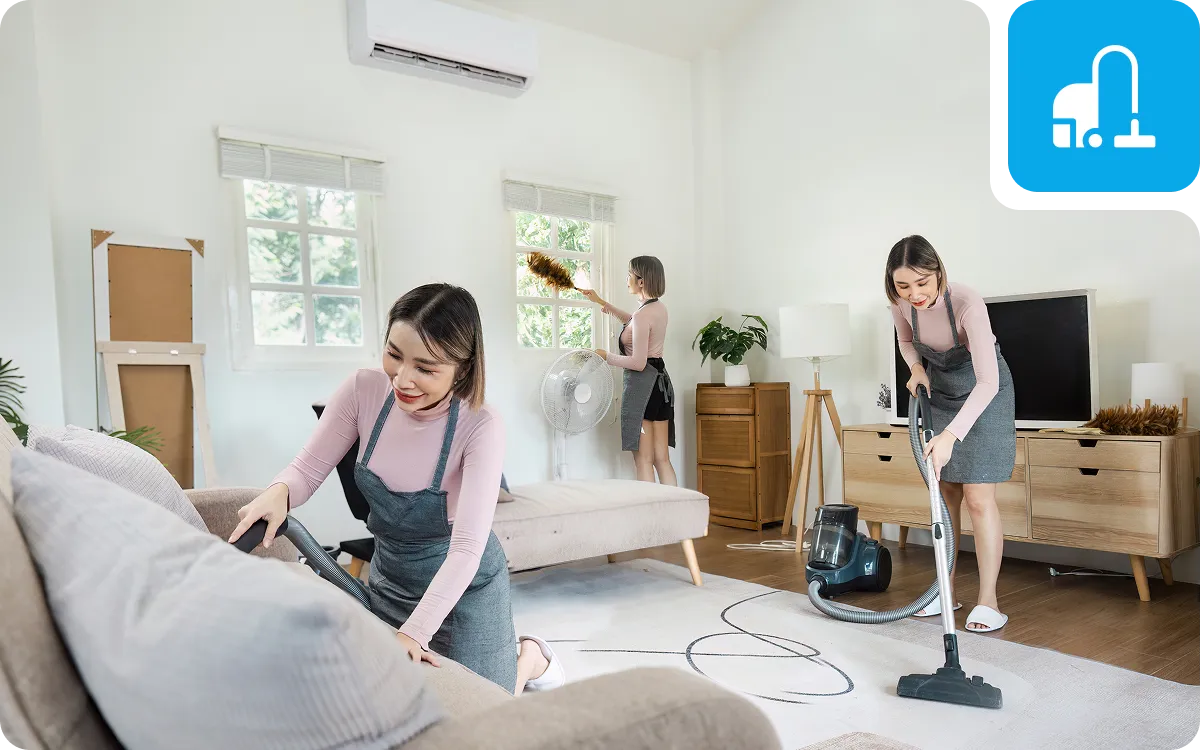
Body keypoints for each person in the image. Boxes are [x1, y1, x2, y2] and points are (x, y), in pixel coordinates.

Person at [228, 283, 565, 694]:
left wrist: (415, 632)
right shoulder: (362, 391)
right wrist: (278, 492)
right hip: (392, 576)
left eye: (425, 368)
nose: (402, 379)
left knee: (487, 708)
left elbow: (466, 550)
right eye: (394, 355)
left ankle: (529, 657)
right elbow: (308, 468)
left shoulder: (479, 425)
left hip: (463, 588)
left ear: (463, 367)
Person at [886, 235, 1015, 633]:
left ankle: (989, 602)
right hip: (941, 393)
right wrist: (917, 369)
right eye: (904, 286)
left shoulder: (966, 303)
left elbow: (988, 381)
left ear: (938, 271)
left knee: (978, 496)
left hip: (986, 396)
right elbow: (907, 342)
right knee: (945, 496)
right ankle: (945, 591)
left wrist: (950, 436)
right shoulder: (899, 303)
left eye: (922, 283)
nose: (915, 294)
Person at [582, 256, 677, 486]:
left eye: (629, 275)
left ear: (641, 281)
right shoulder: (657, 308)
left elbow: (638, 362)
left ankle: (648, 517)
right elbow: (634, 322)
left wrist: (606, 357)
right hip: (661, 386)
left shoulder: (643, 314)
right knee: (662, 458)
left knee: (643, 460)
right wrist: (601, 301)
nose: (627, 279)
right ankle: (675, 512)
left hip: (643, 389)